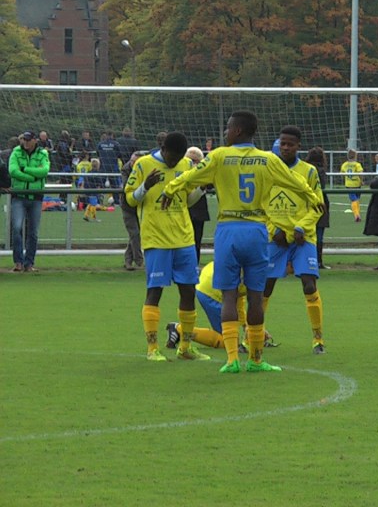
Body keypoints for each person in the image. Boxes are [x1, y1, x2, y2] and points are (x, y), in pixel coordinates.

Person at [163, 110, 323, 374]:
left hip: (228, 229)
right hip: (257, 230)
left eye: (228, 128)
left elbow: (189, 177)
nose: (225, 132)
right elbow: (294, 181)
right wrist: (311, 196)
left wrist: (170, 189)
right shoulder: (268, 159)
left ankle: (231, 360)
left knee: (229, 295)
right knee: (256, 296)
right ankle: (256, 360)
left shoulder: (219, 156)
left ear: (237, 130)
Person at [123, 131, 208, 362]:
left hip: (184, 237)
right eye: (172, 157)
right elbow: (130, 199)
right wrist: (145, 186)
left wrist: (202, 189)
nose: (174, 162)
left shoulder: (187, 164)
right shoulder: (143, 164)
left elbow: (187, 200)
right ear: (163, 149)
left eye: (178, 158)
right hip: (156, 238)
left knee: (189, 291)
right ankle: (152, 348)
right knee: (155, 291)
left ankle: (185, 347)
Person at [262, 126, 327, 355]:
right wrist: (273, 229)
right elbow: (259, 206)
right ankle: (252, 336)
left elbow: (318, 205)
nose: (286, 147)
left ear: (299, 146)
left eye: (290, 144)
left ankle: (318, 339)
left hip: (303, 238)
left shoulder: (308, 171)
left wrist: (302, 227)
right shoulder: (268, 170)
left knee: (309, 284)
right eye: (283, 143)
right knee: (265, 286)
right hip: (276, 237)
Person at [8, 131, 50, 272]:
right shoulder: (16, 152)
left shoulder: (43, 153)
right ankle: (18, 262)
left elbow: (44, 171)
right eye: (24, 140)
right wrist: (32, 177)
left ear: (34, 140)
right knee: (16, 228)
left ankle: (29, 263)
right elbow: (13, 171)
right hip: (19, 196)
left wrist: (24, 169)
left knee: (33, 232)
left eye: (28, 140)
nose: (25, 142)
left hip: (36, 197)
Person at [305, 147, 331, 268]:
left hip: (306, 203)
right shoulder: (320, 171)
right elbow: (321, 186)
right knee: (319, 233)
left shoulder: (305, 169)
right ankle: (318, 261)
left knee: (306, 232)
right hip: (319, 202)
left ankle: (305, 260)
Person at [184, 147, 210, 261]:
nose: (193, 164)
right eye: (190, 160)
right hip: (185, 212)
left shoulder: (204, 173)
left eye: (195, 161)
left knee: (197, 241)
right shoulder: (182, 173)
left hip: (199, 212)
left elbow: (210, 184)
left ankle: (195, 264)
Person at [340, 149, 364, 222]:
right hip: (357, 184)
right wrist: (361, 181)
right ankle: (357, 215)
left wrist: (345, 179)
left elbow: (341, 173)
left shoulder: (344, 164)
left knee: (354, 200)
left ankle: (357, 215)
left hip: (349, 185)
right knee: (356, 199)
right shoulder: (357, 165)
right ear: (355, 156)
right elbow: (360, 173)